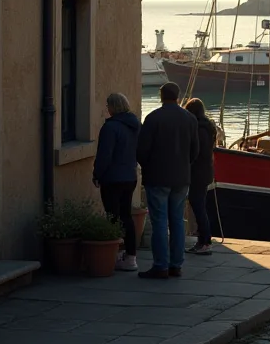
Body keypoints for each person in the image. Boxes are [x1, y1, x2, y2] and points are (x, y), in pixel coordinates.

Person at [136, 82, 200, 279]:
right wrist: (183, 165)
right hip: (181, 177)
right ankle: (176, 265)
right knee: (178, 221)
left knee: (160, 223)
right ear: (178, 97)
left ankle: (161, 265)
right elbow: (194, 151)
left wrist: (148, 166)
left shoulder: (153, 118)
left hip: (157, 177)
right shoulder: (190, 119)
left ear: (161, 96)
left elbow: (142, 151)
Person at [93, 92, 141, 272]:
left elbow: (104, 156)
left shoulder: (110, 128)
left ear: (113, 107)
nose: (107, 109)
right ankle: (130, 257)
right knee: (126, 216)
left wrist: (97, 174)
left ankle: (113, 255)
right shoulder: (135, 126)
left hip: (112, 178)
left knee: (112, 216)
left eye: (108, 105)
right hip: (130, 176)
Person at [184, 98, 217, 255]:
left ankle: (206, 241)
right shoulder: (206, 127)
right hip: (203, 172)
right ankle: (202, 241)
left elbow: (198, 152)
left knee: (198, 207)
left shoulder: (199, 129)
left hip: (198, 173)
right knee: (198, 206)